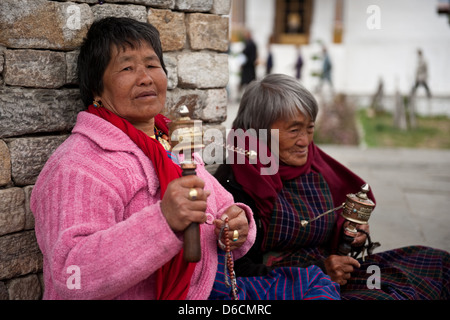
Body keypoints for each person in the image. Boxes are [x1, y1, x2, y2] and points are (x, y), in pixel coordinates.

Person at [30, 17, 339, 300]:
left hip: (206, 287)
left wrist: (237, 224)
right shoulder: (78, 165)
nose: (145, 78)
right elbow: (71, 275)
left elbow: (223, 208)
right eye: (127, 68)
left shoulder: (171, 143)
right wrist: (163, 221)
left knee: (317, 285)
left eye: (152, 65)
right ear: (96, 87)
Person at [215, 73, 450, 300]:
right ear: (259, 132)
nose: (305, 142)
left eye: (309, 128)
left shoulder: (312, 164)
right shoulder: (238, 185)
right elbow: (237, 274)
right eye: (294, 130)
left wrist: (350, 234)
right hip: (294, 287)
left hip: (337, 273)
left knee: (436, 264)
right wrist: (319, 271)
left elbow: (336, 226)